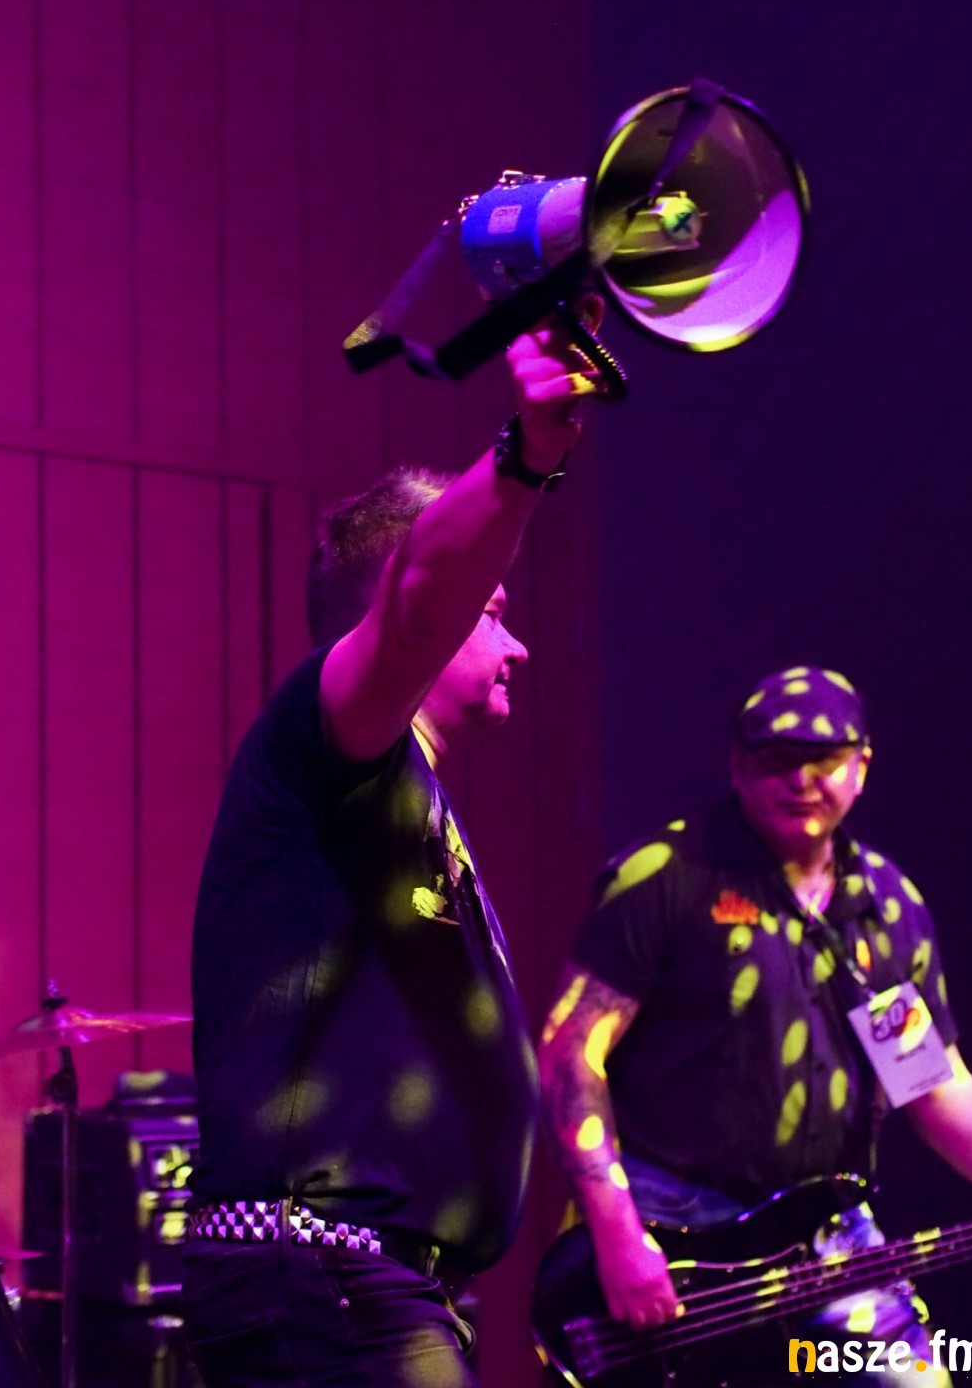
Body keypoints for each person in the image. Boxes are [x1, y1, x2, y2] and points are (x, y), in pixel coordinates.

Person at [182, 313, 602, 1387]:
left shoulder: (403, 792)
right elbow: (420, 605)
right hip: (323, 1271)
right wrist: (528, 454)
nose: (517, 643)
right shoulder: (328, 741)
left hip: (359, 1280)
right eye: (492, 609)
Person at [539, 666, 972, 1382]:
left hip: (828, 1245)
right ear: (737, 766)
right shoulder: (667, 876)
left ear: (862, 766)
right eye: (777, 760)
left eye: (824, 759)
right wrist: (616, 1232)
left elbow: (933, 1089)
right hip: (672, 1235)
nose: (801, 780)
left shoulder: (884, 908)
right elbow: (571, 1056)